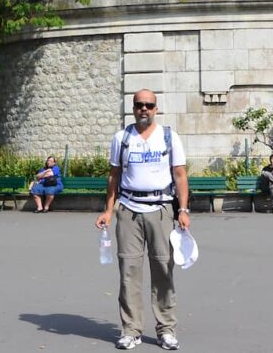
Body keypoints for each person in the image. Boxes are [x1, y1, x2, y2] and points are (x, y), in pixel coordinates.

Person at [95, 89, 190, 351]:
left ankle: (166, 329)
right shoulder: (121, 138)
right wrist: (108, 210)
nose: (144, 109)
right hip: (128, 211)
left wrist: (183, 210)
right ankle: (131, 330)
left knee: (163, 269)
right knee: (129, 272)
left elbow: (180, 175)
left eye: (149, 105)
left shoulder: (169, 137)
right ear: (133, 108)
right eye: (139, 105)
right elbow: (114, 176)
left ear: (156, 108)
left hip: (160, 210)